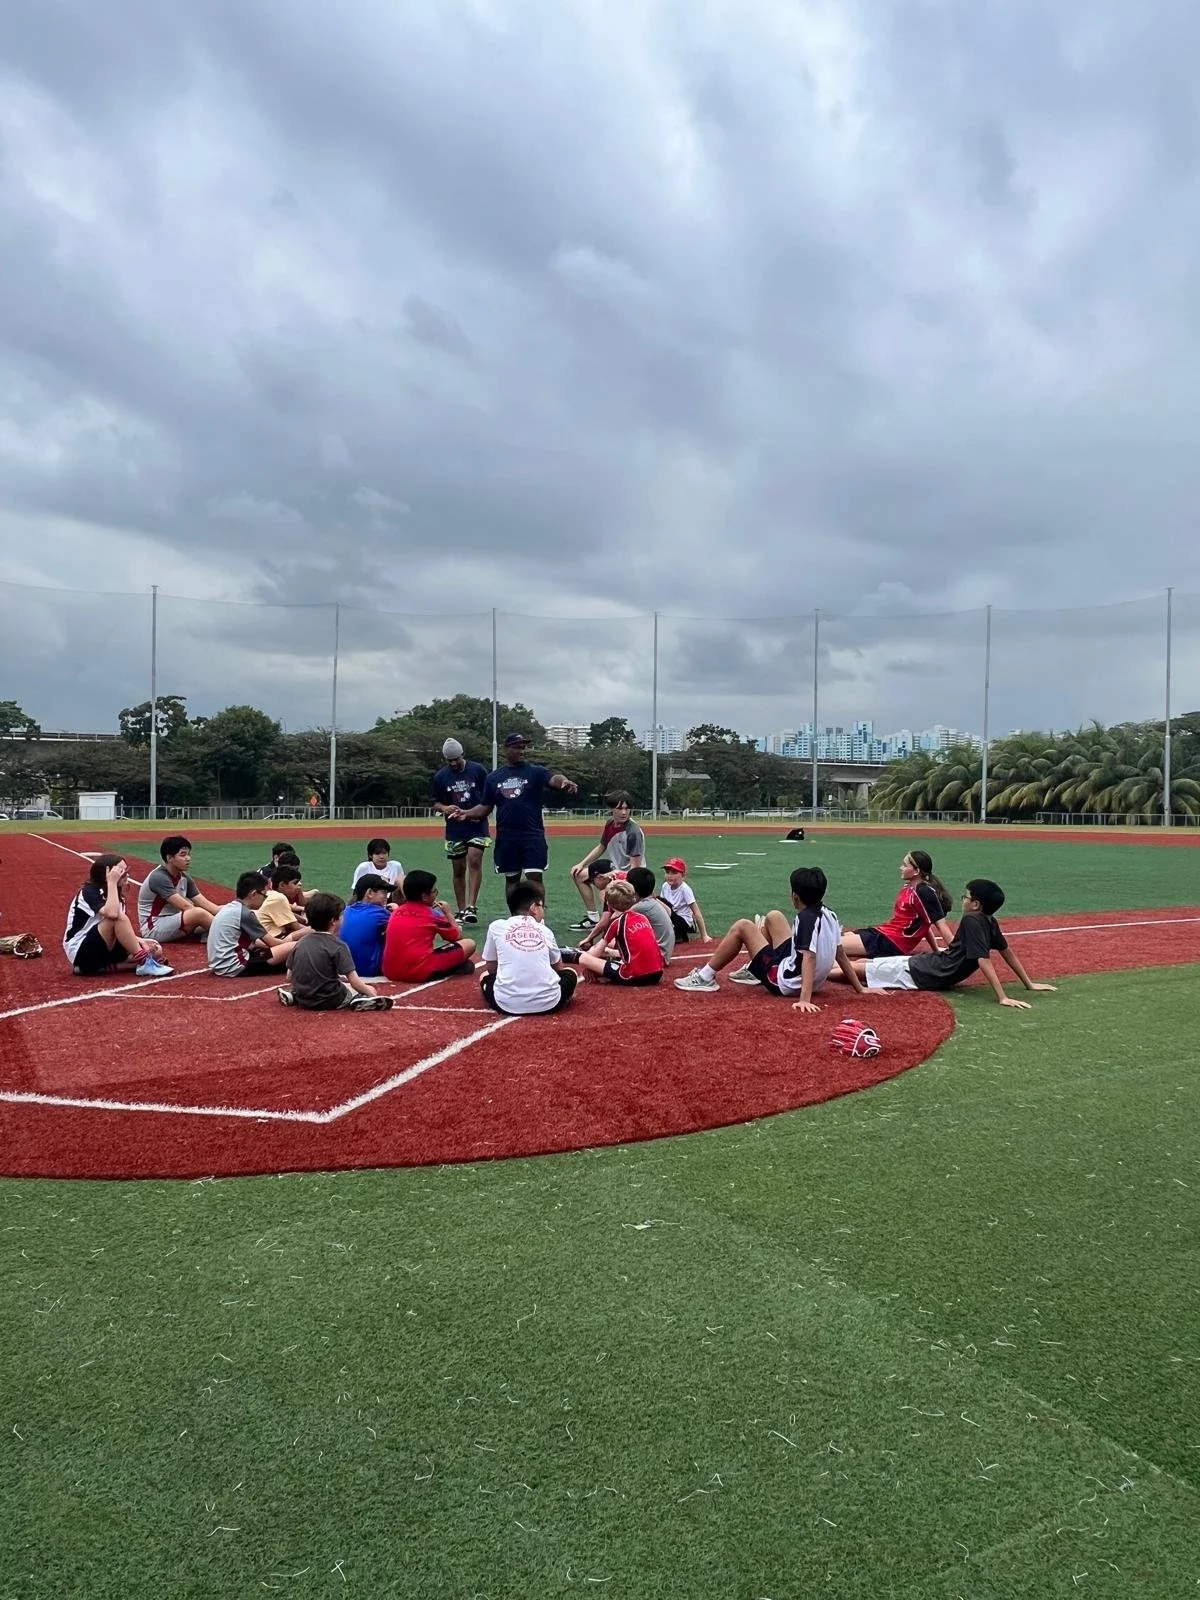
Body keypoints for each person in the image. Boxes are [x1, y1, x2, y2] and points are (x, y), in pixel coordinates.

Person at [674, 865, 864, 1011]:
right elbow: (840, 954)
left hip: (784, 982)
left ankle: (705, 977)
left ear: (795, 897)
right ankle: (753, 971)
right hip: (803, 975)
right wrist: (860, 989)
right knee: (774, 916)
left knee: (743, 926)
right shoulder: (829, 914)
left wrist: (804, 999)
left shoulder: (805, 919)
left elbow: (809, 957)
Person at [850, 879, 1058, 1009]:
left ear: (975, 904)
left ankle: (820, 972)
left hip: (925, 973)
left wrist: (1002, 997)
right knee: (862, 963)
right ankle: (824, 968)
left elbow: (983, 959)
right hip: (929, 966)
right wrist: (1028, 984)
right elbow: (1007, 953)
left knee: (853, 969)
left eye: (965, 897)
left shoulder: (971, 920)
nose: (963, 900)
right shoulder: (989, 921)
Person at [450, 732, 578, 910]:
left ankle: (538, 920)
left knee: (534, 877)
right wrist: (467, 813)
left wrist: (564, 782)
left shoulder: (535, 772)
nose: (522, 751)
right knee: (511, 879)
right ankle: (515, 917)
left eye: (523, 747)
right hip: (507, 837)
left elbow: (554, 778)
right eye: (517, 747)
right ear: (506, 749)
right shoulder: (494, 778)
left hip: (532, 836)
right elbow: (485, 806)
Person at [278, 892, 395, 1010]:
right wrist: (372, 993)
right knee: (359, 988)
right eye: (341, 915)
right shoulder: (338, 945)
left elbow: (289, 976)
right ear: (333, 921)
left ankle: (293, 995)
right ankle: (358, 999)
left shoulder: (300, 942)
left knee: (332, 984)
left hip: (304, 998)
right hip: (330, 999)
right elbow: (354, 981)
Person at [479, 878, 579, 1015]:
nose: (543, 910)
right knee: (571, 973)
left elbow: (491, 968)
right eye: (542, 906)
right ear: (533, 908)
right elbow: (559, 969)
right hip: (549, 1003)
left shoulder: (496, 926)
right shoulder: (545, 930)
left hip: (506, 1004)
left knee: (484, 976)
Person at [64, 855, 174, 978]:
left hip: (103, 944)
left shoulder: (116, 896)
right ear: (108, 875)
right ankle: (144, 964)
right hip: (81, 951)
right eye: (122, 872)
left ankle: (101, 968)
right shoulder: (89, 891)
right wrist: (111, 882)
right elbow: (113, 915)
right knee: (117, 918)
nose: (127, 875)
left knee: (155, 949)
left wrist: (141, 941)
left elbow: (117, 930)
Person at [837, 850, 954, 961]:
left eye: (905, 865)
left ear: (916, 871)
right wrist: (935, 949)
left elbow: (940, 924)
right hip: (884, 933)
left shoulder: (924, 891)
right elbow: (925, 922)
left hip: (890, 942)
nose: (901, 868)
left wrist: (956, 953)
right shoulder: (908, 887)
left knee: (832, 945)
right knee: (840, 936)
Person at [430, 737, 491, 924]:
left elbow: (488, 797)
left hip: (476, 825)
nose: (454, 763)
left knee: (474, 859)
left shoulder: (478, 770)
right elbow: (435, 802)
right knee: (458, 869)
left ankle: (472, 906)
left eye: (456, 759)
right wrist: (445, 808)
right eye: (450, 760)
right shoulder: (441, 777)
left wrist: (474, 813)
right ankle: (461, 909)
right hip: (455, 829)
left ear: (463, 755)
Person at [381, 868, 477, 983]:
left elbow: (400, 879)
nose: (436, 895)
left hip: (389, 971)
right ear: (424, 896)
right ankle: (452, 967)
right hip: (417, 972)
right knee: (470, 943)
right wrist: (448, 913)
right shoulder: (433, 915)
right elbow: (457, 937)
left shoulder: (397, 911)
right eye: (434, 892)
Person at [568, 792, 646, 928]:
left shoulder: (633, 832)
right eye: (619, 808)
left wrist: (614, 880)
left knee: (605, 894)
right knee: (578, 875)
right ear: (611, 809)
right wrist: (581, 864)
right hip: (615, 871)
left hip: (631, 876)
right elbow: (602, 846)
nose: (624, 812)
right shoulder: (610, 824)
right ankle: (593, 918)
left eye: (627, 809)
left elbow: (635, 870)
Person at [207, 871, 299, 977]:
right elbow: (273, 943)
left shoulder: (230, 907)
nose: (265, 899)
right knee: (294, 947)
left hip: (219, 963)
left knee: (273, 952)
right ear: (254, 894)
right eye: (264, 895)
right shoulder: (245, 914)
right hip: (235, 966)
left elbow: (256, 942)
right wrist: (296, 942)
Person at [578, 879, 665, 987]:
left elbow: (596, 953)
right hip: (657, 973)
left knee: (584, 957)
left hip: (635, 977)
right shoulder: (642, 917)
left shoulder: (616, 923)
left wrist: (590, 966)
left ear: (609, 904)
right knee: (608, 951)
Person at [137, 835, 221, 943]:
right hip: (154, 927)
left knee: (222, 911)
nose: (188, 858)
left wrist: (231, 913)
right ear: (169, 858)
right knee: (198, 913)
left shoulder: (184, 877)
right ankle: (230, 936)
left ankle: (213, 932)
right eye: (183, 855)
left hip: (174, 921)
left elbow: (208, 906)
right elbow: (187, 907)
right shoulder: (159, 877)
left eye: (188, 854)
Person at [339, 873, 393, 979]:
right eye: (383, 892)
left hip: (344, 969)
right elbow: (405, 924)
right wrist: (397, 910)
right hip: (370, 971)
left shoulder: (345, 911)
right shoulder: (380, 913)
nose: (386, 897)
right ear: (369, 893)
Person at [626, 866, 675, 964]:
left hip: (658, 957)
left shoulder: (639, 907)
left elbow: (617, 920)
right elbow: (669, 912)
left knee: (616, 939)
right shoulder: (650, 901)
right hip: (663, 953)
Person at [658, 858, 709, 942]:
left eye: (674, 873)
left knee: (660, 903)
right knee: (660, 902)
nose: (669, 875)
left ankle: (681, 932)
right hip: (671, 918)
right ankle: (678, 935)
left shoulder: (684, 889)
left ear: (683, 875)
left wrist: (704, 935)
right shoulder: (665, 886)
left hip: (683, 920)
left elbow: (696, 911)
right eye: (667, 872)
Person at [257, 864, 310, 941]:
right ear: (282, 885)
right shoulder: (279, 898)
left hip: (265, 939)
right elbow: (297, 927)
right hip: (273, 940)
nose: (300, 884)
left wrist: (304, 919)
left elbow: (288, 913)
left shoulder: (271, 895)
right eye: (295, 883)